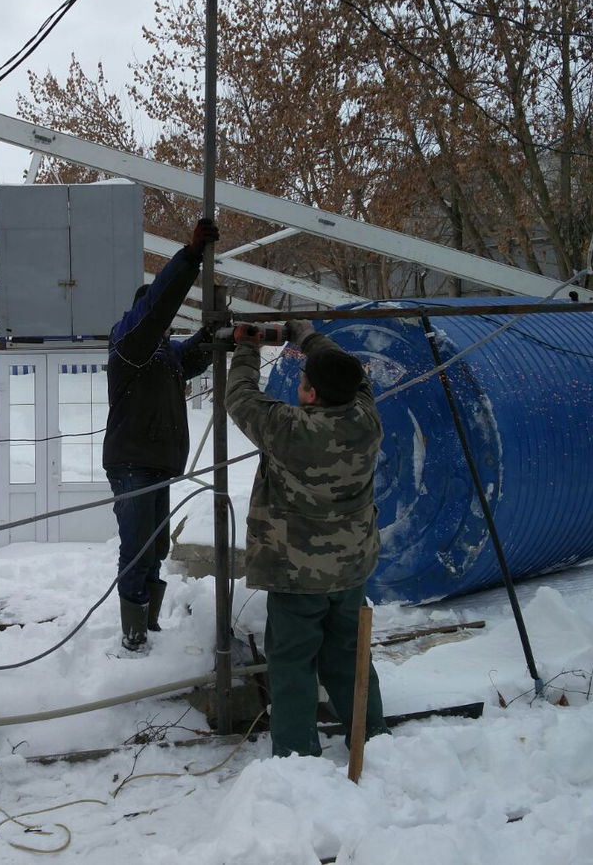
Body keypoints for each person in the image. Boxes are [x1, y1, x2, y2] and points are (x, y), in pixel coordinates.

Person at [225, 318, 390, 758]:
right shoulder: (365, 418)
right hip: (351, 567)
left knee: (294, 662)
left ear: (311, 394)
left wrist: (246, 348)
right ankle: (370, 733)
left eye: (303, 380)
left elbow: (240, 397)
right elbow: (347, 369)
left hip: (296, 573)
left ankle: (297, 755)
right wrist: (306, 336)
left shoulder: (289, 428)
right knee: (349, 654)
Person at [103, 217, 219, 652]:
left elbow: (192, 356)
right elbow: (155, 307)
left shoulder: (166, 354)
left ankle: (148, 628)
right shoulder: (128, 346)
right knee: (136, 548)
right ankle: (133, 637)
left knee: (154, 550)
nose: (167, 328)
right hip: (132, 462)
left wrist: (214, 335)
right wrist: (190, 257)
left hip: (159, 463)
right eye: (160, 322)